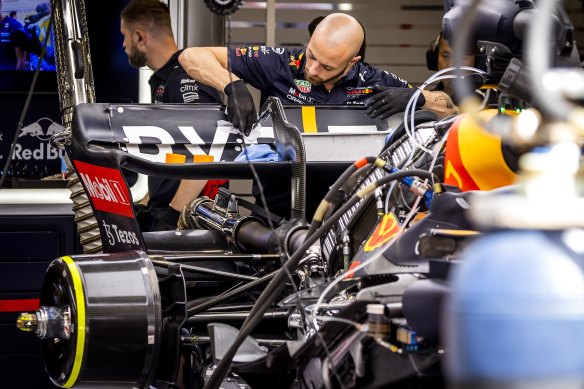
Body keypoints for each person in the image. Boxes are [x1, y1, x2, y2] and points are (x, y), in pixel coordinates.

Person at [178, 13, 457, 217]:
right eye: (311, 55)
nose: (312, 69)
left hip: (345, 216)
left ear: (352, 63)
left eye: (326, 66)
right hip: (272, 215)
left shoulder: (374, 81)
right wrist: (231, 85)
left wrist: (419, 96)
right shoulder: (279, 63)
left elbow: (450, 110)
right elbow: (191, 56)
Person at [120, 0, 224, 231]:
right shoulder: (165, 80)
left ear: (139, 37)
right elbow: (174, 156)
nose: (123, 44)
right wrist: (148, 203)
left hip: (191, 220)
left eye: (125, 36)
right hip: (170, 213)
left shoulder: (187, 78)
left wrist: (174, 215)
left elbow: (208, 154)